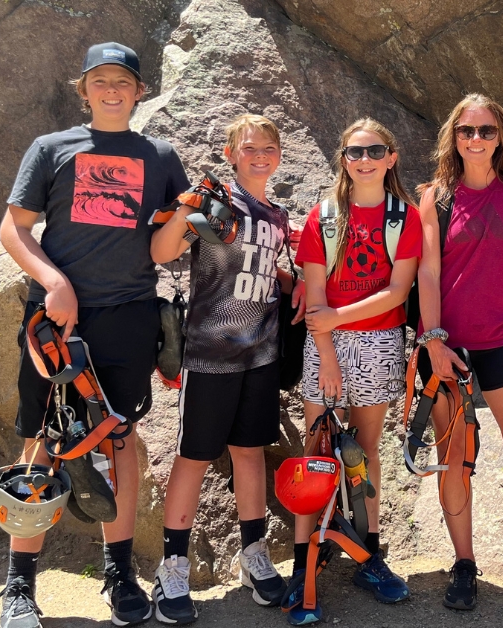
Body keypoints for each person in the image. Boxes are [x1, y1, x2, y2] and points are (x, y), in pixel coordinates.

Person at [0, 43, 191, 628]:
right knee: (40, 439)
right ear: (84, 89)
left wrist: (192, 222)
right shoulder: (50, 149)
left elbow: (164, 245)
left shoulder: (159, 156)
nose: (112, 90)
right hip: (55, 321)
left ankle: (120, 572)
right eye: (100, 81)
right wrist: (55, 283)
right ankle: (19, 587)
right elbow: (15, 228)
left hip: (129, 315)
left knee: (119, 438)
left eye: (123, 82)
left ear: (138, 91)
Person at [149, 114, 306, 624]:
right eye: (249, 147)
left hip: (259, 356)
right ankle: (171, 565)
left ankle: (253, 555)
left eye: (269, 148)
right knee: (193, 456)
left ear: (279, 155)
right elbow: (163, 251)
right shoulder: (216, 205)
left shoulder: (278, 217)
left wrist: (292, 282)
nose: (260, 155)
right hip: (209, 356)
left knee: (251, 454)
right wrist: (185, 209)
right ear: (230, 153)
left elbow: (262, 265)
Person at [415, 94, 503, 613]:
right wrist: (433, 341)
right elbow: (428, 271)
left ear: (502, 136)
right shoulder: (436, 196)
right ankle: (465, 564)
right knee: (454, 460)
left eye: (487, 131)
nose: (476, 140)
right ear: (454, 136)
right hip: (450, 348)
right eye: (467, 131)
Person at [282, 118, 422, 625]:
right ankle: (304, 567)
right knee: (314, 454)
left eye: (374, 151)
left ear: (391, 158)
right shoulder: (324, 217)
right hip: (326, 344)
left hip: (379, 340)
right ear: (343, 159)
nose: (364, 160)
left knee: (364, 455)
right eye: (354, 152)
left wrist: (338, 321)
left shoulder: (403, 218)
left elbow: (399, 292)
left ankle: (368, 554)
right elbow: (314, 296)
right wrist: (330, 352)